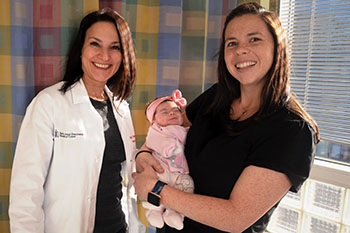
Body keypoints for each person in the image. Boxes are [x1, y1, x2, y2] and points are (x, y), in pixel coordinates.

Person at [132, 2, 320, 233]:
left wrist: (157, 190)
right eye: (232, 43)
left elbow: (236, 217)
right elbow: (166, 130)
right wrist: (142, 155)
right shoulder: (215, 98)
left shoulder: (291, 130)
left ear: (277, 48)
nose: (241, 50)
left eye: (254, 39)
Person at [9, 8, 144, 233]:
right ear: (80, 49)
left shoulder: (121, 107)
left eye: (115, 47)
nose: (105, 56)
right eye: (95, 44)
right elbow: (26, 193)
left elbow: (124, 179)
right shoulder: (49, 104)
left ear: (124, 55)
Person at [140, 90, 194, 230]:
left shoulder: (185, 130)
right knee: (157, 187)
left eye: (176, 110)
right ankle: (155, 211)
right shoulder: (156, 130)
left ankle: (174, 213)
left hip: (180, 173)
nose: (171, 113)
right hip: (162, 169)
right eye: (164, 112)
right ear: (154, 120)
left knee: (188, 186)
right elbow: (152, 141)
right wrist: (168, 147)